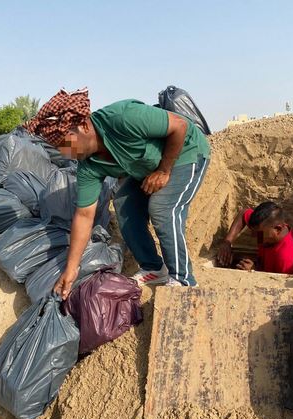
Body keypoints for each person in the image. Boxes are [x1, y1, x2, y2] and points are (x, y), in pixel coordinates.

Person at [25, 88, 210, 299]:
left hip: (186, 152)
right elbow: (84, 215)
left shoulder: (123, 117)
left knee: (162, 207)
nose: (65, 153)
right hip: (147, 167)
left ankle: (183, 280)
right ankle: (153, 267)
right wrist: (71, 269)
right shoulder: (88, 166)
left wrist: (164, 171)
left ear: (83, 126)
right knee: (124, 204)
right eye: (59, 149)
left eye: (65, 144)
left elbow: (179, 125)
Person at [216, 201, 293, 274]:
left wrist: (254, 271)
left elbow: (277, 284)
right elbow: (243, 213)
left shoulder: (286, 259)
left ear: (278, 229)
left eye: (258, 233)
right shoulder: (264, 227)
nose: (254, 236)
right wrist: (227, 242)